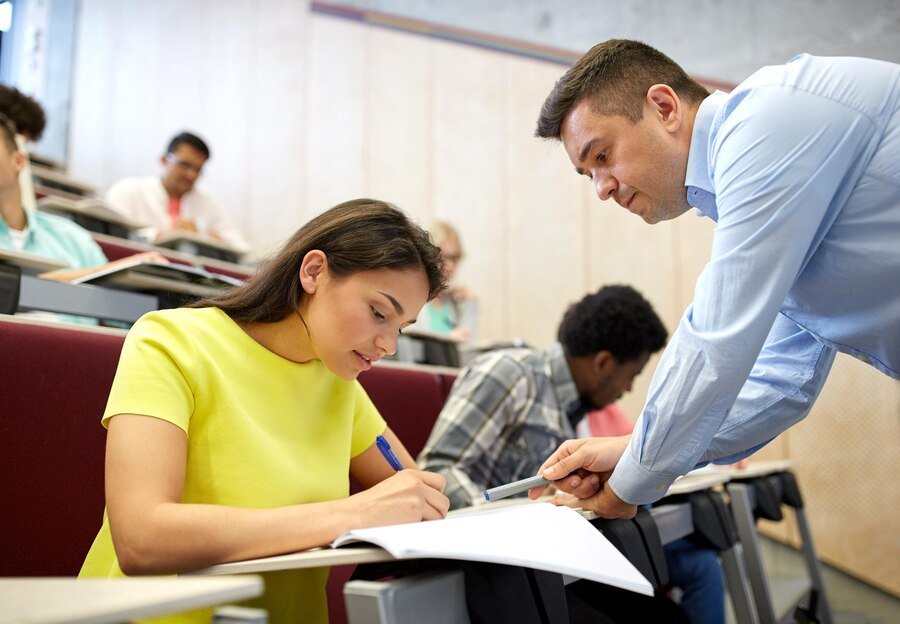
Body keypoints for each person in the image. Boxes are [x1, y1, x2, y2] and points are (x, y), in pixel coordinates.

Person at [531, 40, 900, 518]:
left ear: (664, 107)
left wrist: (629, 485)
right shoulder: (766, 183)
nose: (601, 189)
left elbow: (715, 340)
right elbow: (783, 378)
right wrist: (633, 450)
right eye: (588, 175)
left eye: (601, 156)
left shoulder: (766, 124)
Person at [79, 199, 451, 624]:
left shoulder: (337, 378)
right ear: (314, 272)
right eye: (378, 313)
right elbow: (142, 539)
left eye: (400, 328)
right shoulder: (171, 342)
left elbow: (416, 497)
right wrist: (354, 513)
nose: (389, 345)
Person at [420, 285, 724, 624]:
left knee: (672, 607)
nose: (626, 390)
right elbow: (438, 467)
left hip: (548, 556)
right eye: (631, 377)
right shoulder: (509, 372)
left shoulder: (569, 405)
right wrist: (505, 519)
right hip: (502, 569)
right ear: (604, 362)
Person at [0, 111, 163, 284]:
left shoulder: (72, 236)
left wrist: (125, 270)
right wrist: (111, 269)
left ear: (18, 161)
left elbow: (109, 293)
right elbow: (10, 287)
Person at [105, 131, 250, 252]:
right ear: (164, 160)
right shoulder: (129, 190)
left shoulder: (208, 202)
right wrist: (167, 236)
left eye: (198, 170)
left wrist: (201, 238)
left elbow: (241, 247)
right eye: (184, 165)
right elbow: (111, 233)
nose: (191, 175)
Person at [418, 220, 477, 340]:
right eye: (443, 257)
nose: (449, 266)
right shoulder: (413, 298)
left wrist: (470, 305)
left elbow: (468, 346)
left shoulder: (453, 303)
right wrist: (448, 339)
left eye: (454, 258)